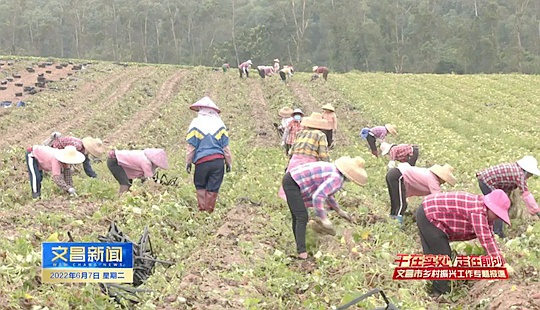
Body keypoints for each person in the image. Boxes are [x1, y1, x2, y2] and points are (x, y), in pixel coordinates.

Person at [417, 190, 511, 296]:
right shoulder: (477, 212)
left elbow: (490, 236)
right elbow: (486, 240)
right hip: (429, 213)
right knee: (443, 256)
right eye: (497, 214)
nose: (498, 217)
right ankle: (440, 292)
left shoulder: (484, 211)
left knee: (435, 253)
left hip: (428, 210)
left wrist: (498, 260)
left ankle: (432, 283)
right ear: (490, 208)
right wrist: (501, 264)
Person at [282, 156, 368, 259]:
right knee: (301, 216)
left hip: (292, 178)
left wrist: (339, 211)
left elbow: (328, 195)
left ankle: (301, 248)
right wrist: (324, 218)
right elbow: (318, 197)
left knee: (299, 216)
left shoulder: (334, 171)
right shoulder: (336, 178)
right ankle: (302, 253)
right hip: (293, 182)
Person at [186, 96, 232, 213]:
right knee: (213, 187)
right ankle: (209, 211)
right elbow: (225, 147)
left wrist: (188, 162)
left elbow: (191, 147)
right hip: (218, 161)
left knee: (200, 185)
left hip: (201, 162)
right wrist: (228, 162)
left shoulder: (196, 124)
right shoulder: (219, 124)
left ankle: (202, 211)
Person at [476, 156, 540, 238]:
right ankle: (497, 234)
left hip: (484, 179)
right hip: (486, 182)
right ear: (526, 171)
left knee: (498, 205)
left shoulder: (515, 168)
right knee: (497, 207)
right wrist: (537, 211)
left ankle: (494, 228)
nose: (529, 176)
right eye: (530, 174)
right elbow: (526, 195)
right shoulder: (519, 174)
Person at [279, 112, 331, 200]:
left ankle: (289, 199)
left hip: (295, 159)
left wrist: (289, 162)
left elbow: (292, 150)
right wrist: (328, 166)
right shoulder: (320, 135)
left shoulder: (300, 133)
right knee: (307, 183)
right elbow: (323, 154)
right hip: (309, 161)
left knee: (292, 180)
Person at [386, 163, 456, 223]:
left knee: (395, 202)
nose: (443, 183)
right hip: (398, 175)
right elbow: (438, 199)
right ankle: (397, 225)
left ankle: (392, 221)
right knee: (401, 205)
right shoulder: (433, 180)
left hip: (393, 174)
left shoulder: (428, 173)